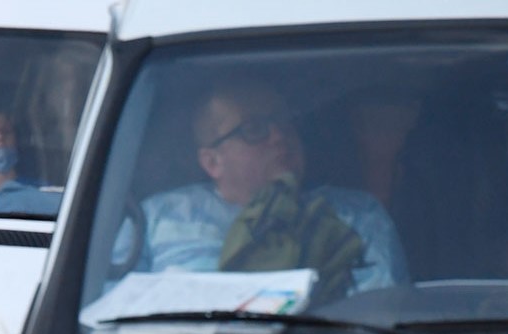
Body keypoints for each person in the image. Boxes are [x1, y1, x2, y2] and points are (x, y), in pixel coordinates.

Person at [135, 80, 410, 300]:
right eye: (254, 129)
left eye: (284, 121)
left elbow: (381, 319)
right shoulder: (153, 218)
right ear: (212, 161)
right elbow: (110, 316)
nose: (279, 136)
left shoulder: (356, 215)